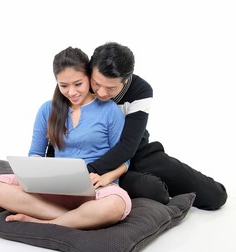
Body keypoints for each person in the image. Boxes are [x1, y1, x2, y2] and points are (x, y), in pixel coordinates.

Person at [0, 47, 132, 230]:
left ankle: (45, 221)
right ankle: (75, 219)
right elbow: (35, 154)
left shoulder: (110, 110)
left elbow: (124, 160)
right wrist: (39, 174)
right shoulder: (47, 110)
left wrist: (105, 179)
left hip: (97, 190)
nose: (72, 92)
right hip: (54, 187)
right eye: (64, 85)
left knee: (116, 205)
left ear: (89, 77)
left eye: (78, 84)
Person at [83, 41, 227, 210]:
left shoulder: (141, 90)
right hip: (96, 156)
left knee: (215, 196)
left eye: (111, 88)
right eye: (96, 84)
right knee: (154, 190)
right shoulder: (79, 83)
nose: (101, 92)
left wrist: (85, 172)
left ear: (126, 80)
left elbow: (128, 145)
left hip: (137, 153)